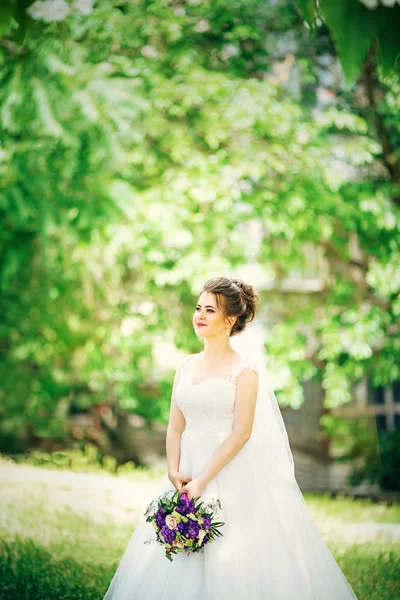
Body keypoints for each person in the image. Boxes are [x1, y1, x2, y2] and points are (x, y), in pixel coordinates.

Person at [102, 276, 358, 599]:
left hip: (229, 471)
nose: (200, 316)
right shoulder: (184, 367)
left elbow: (242, 433)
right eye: (198, 308)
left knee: (231, 553)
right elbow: (175, 427)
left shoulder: (245, 371)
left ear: (230, 319)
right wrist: (173, 470)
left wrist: (203, 481)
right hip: (186, 472)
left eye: (210, 310)